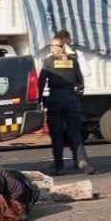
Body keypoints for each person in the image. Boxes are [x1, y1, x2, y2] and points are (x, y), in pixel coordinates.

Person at [37, 30, 85, 176]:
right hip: (71, 99)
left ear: (61, 47)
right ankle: (81, 160)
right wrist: (77, 98)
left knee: (57, 134)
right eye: (51, 46)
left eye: (54, 46)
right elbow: (80, 82)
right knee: (75, 131)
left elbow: (41, 83)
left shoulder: (48, 62)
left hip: (56, 99)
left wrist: (38, 100)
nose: (52, 48)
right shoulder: (72, 61)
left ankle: (59, 167)